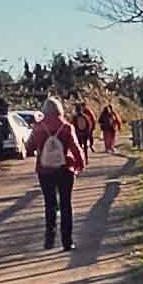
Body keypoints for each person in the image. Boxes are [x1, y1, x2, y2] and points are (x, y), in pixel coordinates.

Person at [38, 103, 87, 252]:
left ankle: (49, 239)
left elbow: (29, 147)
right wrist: (80, 164)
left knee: (49, 203)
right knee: (66, 204)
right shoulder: (66, 127)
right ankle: (67, 241)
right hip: (65, 169)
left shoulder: (39, 127)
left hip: (45, 170)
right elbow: (75, 148)